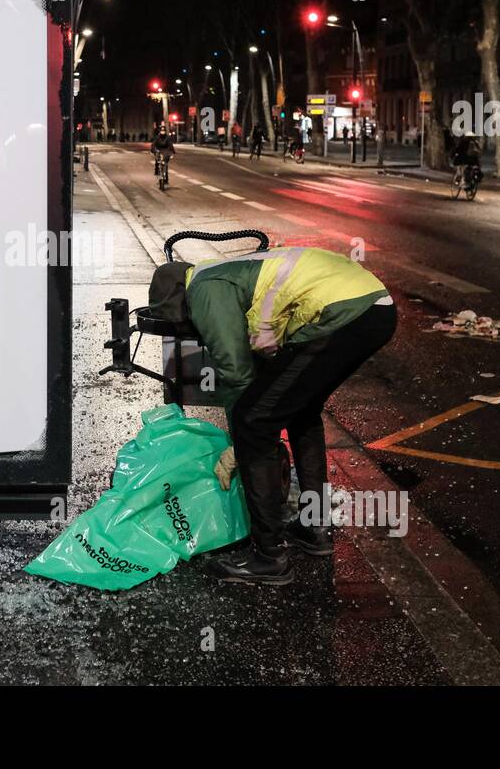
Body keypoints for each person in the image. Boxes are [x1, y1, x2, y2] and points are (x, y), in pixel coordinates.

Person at [146, 248, 396, 585]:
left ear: (177, 298)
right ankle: (314, 526)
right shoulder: (230, 271)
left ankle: (269, 556)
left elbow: (236, 374)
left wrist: (239, 444)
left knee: (254, 420)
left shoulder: (202, 286)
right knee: (301, 411)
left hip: (343, 314)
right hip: (373, 308)